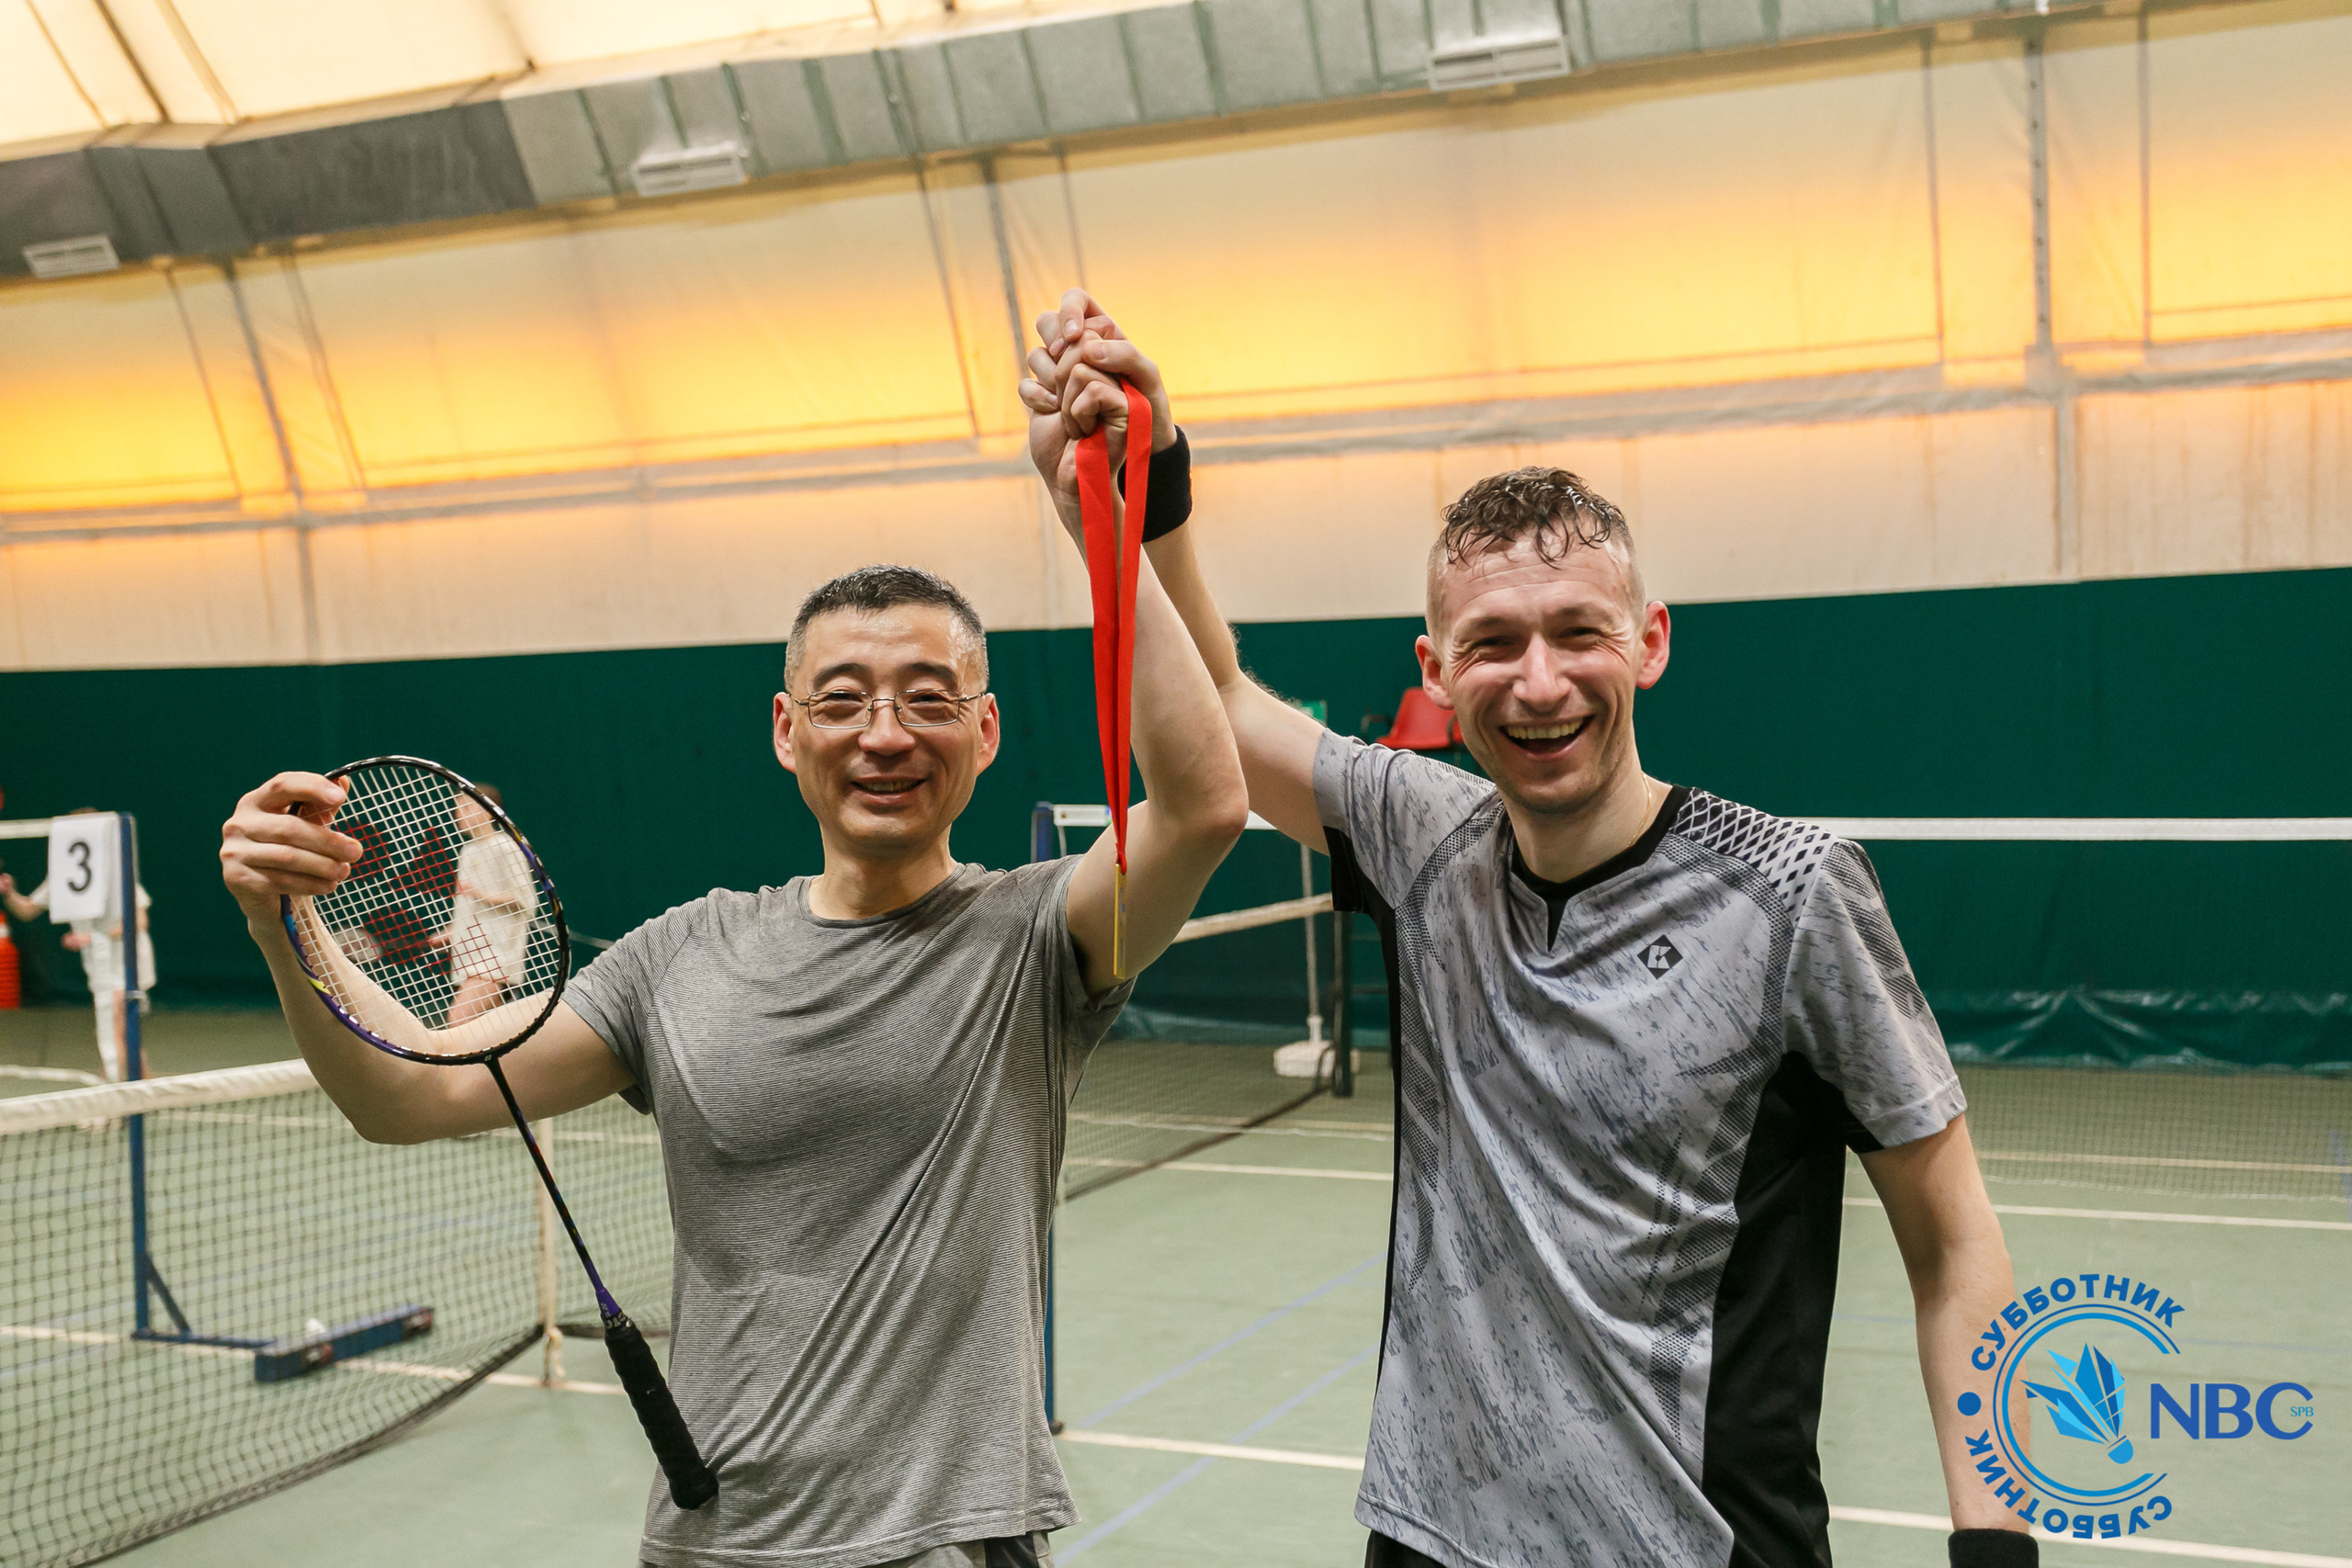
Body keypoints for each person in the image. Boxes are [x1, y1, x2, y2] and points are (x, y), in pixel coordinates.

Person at [1021, 293, 2036, 1568]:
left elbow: (1956, 1246)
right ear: (1436, 671)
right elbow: (1215, 701)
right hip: (1428, 1536)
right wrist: (1142, 483)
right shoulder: (1418, 835)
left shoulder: (1795, 889)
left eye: (1578, 632)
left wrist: (1996, 1546)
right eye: (1492, 642)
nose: (1539, 680)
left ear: (1650, 643)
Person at [220, 424, 1249, 1566]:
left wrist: (1100, 529)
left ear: (986, 729)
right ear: (785, 728)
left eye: (927, 699)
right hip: (716, 1542)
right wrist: (284, 924)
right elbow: (407, 1095)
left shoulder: (1035, 937)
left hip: (943, 1540)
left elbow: (1202, 803)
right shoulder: (679, 956)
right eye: (844, 698)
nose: (885, 735)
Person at [2, 807, 156, 1082]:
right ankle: (146, 1094)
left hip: (127, 963)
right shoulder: (65, 876)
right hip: (98, 965)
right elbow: (27, 909)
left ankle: (109, 1099)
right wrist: (9, 893)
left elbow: (139, 923)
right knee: (125, 1034)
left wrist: (92, 937)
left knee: (115, 1031)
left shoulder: (118, 872)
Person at [436, 784, 537, 1027]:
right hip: (467, 957)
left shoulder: (506, 847)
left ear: (489, 811)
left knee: (458, 1024)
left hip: (496, 959)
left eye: (467, 806)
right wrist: (451, 931)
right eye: (457, 808)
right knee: (482, 1035)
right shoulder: (467, 851)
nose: (459, 814)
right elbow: (470, 909)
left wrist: (483, 895)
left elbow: (527, 900)